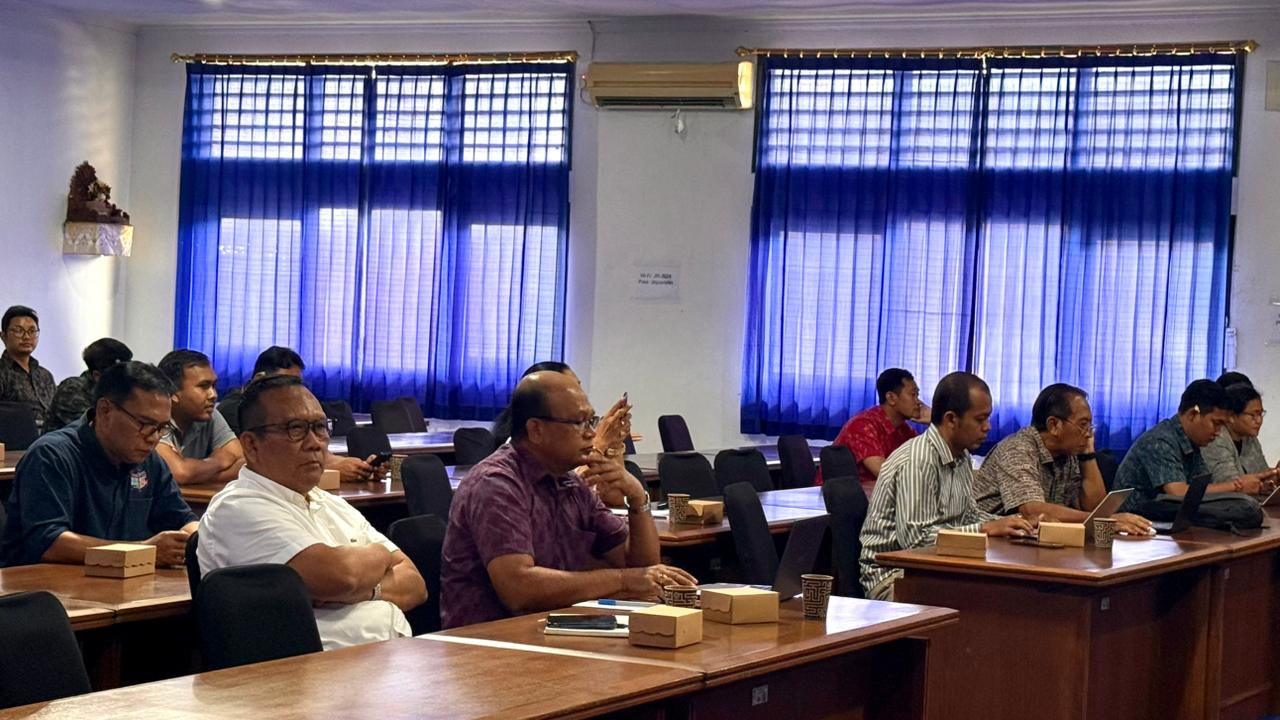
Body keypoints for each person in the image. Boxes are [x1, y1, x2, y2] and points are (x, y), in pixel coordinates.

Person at [441, 371, 695, 628]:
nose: (592, 433)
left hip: (556, 628)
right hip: (487, 638)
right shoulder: (496, 483)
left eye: (591, 420)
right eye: (580, 422)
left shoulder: (570, 482)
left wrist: (638, 498)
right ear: (536, 429)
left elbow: (639, 566)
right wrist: (623, 580)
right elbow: (519, 589)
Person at [198, 375, 426, 649]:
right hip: (305, 668)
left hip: (385, 660)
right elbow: (341, 577)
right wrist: (380, 554)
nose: (315, 443)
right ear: (251, 445)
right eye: (295, 429)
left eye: (320, 427)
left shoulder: (330, 503)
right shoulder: (238, 507)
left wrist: (364, 591)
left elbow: (414, 584)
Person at [859, 371, 1036, 601]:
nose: (987, 427)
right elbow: (917, 541)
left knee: (1014, 593)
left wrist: (1016, 523)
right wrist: (985, 529)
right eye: (980, 419)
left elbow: (968, 516)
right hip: (895, 577)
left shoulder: (960, 456)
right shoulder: (919, 460)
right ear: (951, 419)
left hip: (938, 568)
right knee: (997, 600)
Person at [1, 362, 198, 567]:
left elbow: (181, 519)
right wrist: (142, 551)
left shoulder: (149, 461)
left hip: (122, 581)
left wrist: (199, 537)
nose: (154, 438)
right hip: (43, 583)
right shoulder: (52, 455)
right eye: (145, 424)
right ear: (105, 410)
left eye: (162, 427)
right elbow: (49, 543)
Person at [972, 384, 1152, 535]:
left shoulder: (1067, 453)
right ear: (1054, 425)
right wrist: (1105, 521)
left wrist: (1088, 455)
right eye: (1083, 425)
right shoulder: (1017, 449)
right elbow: (1032, 510)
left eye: (1090, 426)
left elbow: (1094, 509)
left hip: (1029, 540)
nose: (1089, 433)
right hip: (986, 542)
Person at [221, 346, 377, 482]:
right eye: (283, 382)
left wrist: (357, 467)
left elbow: (318, 452)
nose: (293, 391)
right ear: (259, 379)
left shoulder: (296, 409)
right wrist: (331, 469)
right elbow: (253, 461)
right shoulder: (238, 408)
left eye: (296, 383)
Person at [1115, 379, 1248, 513]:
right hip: (1132, 520)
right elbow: (1177, 494)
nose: (1218, 432)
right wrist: (1234, 487)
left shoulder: (1191, 441)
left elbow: (1203, 488)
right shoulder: (1160, 441)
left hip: (1164, 517)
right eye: (1216, 423)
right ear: (1193, 414)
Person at [823, 368, 929, 485]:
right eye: (913, 395)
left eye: (917, 395)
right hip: (838, 493)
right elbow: (886, 474)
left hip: (874, 492)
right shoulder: (863, 425)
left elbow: (929, 458)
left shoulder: (903, 429)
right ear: (891, 398)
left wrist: (936, 421)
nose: (919, 402)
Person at [156, 350, 244, 485]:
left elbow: (242, 461)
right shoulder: (155, 419)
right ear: (172, 393)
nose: (213, 395)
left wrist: (196, 474)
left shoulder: (209, 413)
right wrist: (218, 461)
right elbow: (180, 473)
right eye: (203, 386)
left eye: (213, 386)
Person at [1200, 382, 1278, 487]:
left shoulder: (1249, 438)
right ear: (1231, 416)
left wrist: (1275, 475)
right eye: (1253, 415)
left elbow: (1261, 474)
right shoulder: (1216, 437)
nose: (1259, 420)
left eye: (1260, 414)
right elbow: (1228, 482)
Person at [47, 338, 133, 431]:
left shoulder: (122, 392)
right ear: (97, 376)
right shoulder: (72, 390)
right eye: (119, 374)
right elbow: (101, 430)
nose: (126, 378)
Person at [0, 305, 56, 430]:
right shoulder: (2, 372)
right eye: (19, 330)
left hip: (51, 436)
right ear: (3, 336)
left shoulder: (45, 375)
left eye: (32, 331)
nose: (26, 337)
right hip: (15, 438)